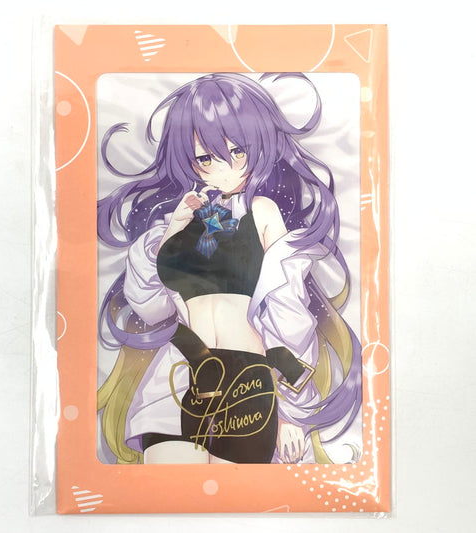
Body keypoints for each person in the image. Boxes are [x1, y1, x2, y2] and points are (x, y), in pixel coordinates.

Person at [97, 73, 361, 464]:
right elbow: (151, 309)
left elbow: (286, 313)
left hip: (248, 381)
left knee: (233, 495)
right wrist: (174, 229)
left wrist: (291, 413)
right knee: (171, 491)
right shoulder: (183, 219)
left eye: (238, 152)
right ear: (187, 160)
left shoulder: (263, 212)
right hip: (180, 372)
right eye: (205, 158)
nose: (224, 169)